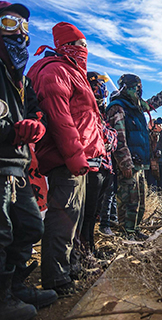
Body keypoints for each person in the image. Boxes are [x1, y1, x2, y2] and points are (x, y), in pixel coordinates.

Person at [28, 21, 106, 297]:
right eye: (82, 45)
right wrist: (76, 158)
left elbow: (86, 119)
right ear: (68, 47)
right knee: (63, 220)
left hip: (80, 158)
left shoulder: (72, 72)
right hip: (66, 160)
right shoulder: (56, 72)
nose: (86, 50)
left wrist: (96, 153)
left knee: (75, 219)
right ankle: (57, 280)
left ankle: (71, 269)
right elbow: (62, 121)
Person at [0, 2, 57, 317]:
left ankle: (15, 287)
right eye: (9, 23)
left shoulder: (20, 78)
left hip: (16, 163)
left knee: (30, 225)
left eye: (24, 25)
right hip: (3, 157)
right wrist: (10, 132)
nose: (19, 32)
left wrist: (36, 126)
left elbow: (36, 110)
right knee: (1, 230)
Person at [106, 73, 162, 239]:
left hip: (139, 162)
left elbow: (150, 104)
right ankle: (126, 233)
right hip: (128, 163)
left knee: (139, 201)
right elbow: (119, 139)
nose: (139, 90)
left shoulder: (135, 106)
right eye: (137, 87)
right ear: (127, 87)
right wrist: (125, 162)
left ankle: (134, 230)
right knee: (127, 200)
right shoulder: (118, 107)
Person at [82, 72, 118, 245]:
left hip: (105, 166)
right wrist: (107, 137)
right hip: (90, 166)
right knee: (86, 214)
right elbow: (95, 134)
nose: (101, 92)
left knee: (93, 211)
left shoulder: (101, 112)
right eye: (97, 87)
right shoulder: (83, 108)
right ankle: (83, 252)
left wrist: (109, 138)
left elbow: (111, 133)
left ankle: (89, 249)